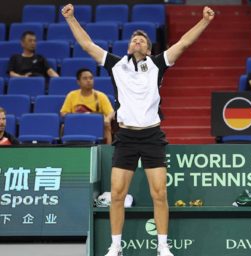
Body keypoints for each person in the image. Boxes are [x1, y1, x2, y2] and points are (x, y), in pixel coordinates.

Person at [62, 3, 215, 256]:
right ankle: (116, 246)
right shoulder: (116, 65)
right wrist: (71, 19)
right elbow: (87, 45)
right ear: (128, 46)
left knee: (159, 194)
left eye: (142, 40)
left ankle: (163, 247)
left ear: (149, 48)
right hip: (126, 137)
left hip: (152, 136)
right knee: (118, 195)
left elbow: (184, 44)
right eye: (134, 39)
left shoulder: (157, 64)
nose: (137, 42)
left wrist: (205, 21)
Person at [60, 68, 114, 144]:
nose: (89, 80)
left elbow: (111, 112)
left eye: (91, 78)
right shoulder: (71, 95)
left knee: (107, 125)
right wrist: (81, 116)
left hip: (95, 125)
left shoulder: (101, 96)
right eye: (85, 78)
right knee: (63, 126)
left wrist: (107, 119)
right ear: (78, 82)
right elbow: (63, 113)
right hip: (77, 124)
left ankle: (107, 150)